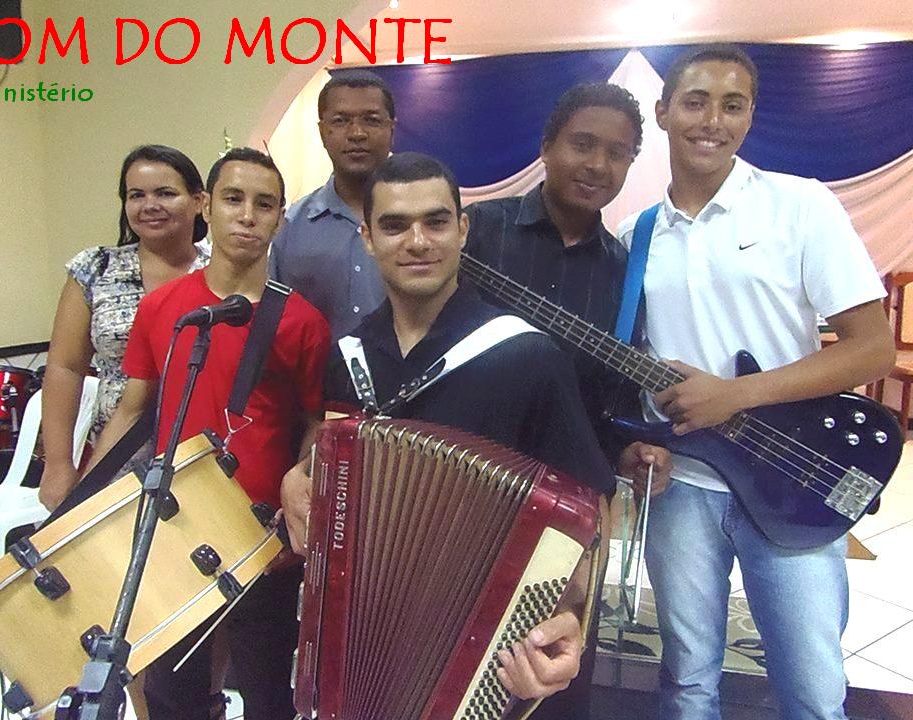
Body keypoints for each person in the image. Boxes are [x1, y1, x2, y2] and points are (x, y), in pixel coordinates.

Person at [281, 152, 669, 719]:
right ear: (368, 239)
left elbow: (590, 510)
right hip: (368, 641)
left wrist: (574, 617)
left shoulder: (526, 356)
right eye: (395, 225)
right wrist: (299, 475)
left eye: (436, 222)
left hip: (486, 647)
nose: (418, 241)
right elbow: (333, 456)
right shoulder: (349, 359)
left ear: (462, 230)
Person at [617, 45, 895, 720]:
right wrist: (636, 439)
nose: (713, 120)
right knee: (688, 682)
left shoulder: (799, 205)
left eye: (732, 104)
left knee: (813, 690)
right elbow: (633, 361)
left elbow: (872, 350)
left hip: (792, 475)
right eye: (695, 102)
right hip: (684, 486)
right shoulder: (635, 235)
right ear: (663, 112)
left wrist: (734, 395)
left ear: (749, 116)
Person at [82, 147, 331, 720]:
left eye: (264, 204)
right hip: (174, 527)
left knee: (268, 689)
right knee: (171, 692)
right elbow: (132, 411)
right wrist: (85, 501)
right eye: (233, 199)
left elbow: (316, 424)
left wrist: (300, 499)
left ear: (280, 218)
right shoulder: (163, 308)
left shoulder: (304, 321)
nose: (247, 215)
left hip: (264, 537)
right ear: (205, 207)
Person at [463, 82, 664, 487]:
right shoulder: (479, 227)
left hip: (565, 486)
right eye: (582, 145)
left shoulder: (624, 272)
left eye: (617, 154)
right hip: (459, 463)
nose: (598, 165)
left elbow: (613, 397)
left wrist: (629, 453)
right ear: (546, 148)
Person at [40, 145, 211, 512]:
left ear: (199, 202)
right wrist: (57, 463)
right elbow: (65, 367)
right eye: (137, 195)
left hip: (203, 452)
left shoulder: (221, 271)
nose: (150, 205)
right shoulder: (96, 269)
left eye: (165, 193)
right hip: (116, 456)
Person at [270, 69, 394, 339]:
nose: (357, 133)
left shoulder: (421, 225)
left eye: (371, 120)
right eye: (341, 121)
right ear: (323, 132)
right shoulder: (291, 227)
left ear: (391, 129)